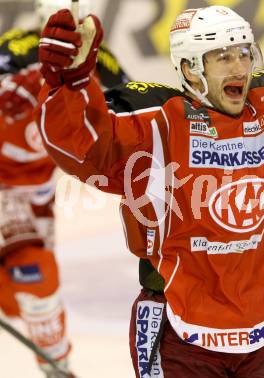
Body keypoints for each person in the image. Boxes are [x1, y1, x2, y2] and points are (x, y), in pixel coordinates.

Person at [35, 1, 264, 377]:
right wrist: (69, 83)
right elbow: (78, 143)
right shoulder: (155, 123)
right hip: (176, 330)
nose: (238, 66)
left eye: (243, 53)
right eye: (222, 57)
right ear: (190, 68)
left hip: (259, 326)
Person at [0, 0, 130, 376]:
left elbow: (134, 107)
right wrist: (20, 83)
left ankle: (54, 362)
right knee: (36, 277)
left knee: (18, 299)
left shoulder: (99, 59)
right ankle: (57, 366)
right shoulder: (17, 49)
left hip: (38, 191)